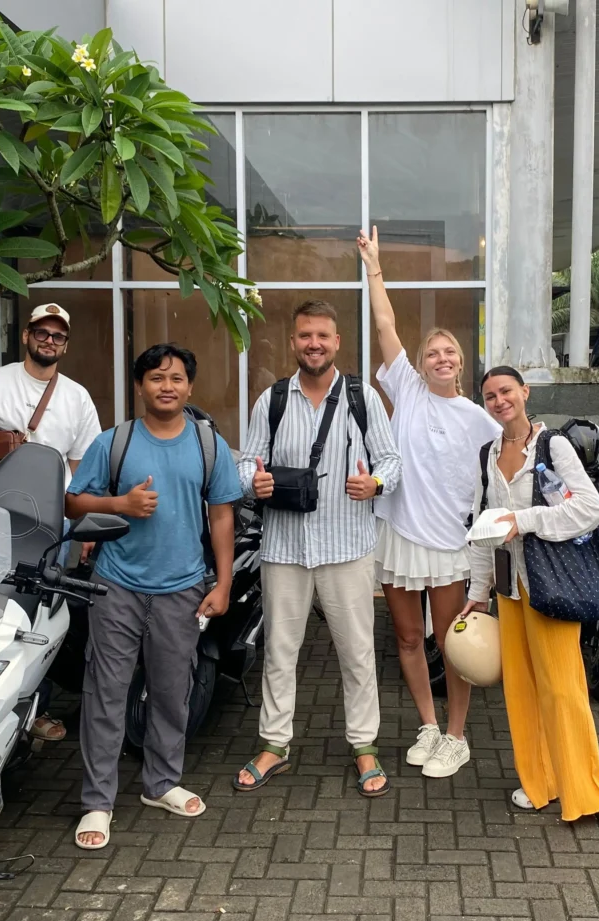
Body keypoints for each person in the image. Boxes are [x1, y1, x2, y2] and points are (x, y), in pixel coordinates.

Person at [66, 344, 242, 849]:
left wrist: (223, 583)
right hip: (116, 584)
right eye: (157, 378)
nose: (167, 386)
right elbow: (73, 501)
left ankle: (160, 783)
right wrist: (119, 503)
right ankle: (97, 801)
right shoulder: (114, 442)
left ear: (190, 387)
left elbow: (222, 515)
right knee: (106, 692)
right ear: (140, 386)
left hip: (182, 587)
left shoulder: (209, 445)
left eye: (177, 378)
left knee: (171, 689)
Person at [460, 366, 599, 832]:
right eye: (490, 396)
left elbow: (586, 507)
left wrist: (526, 521)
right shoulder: (487, 453)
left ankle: (594, 792)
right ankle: (541, 780)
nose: (499, 401)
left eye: (506, 391)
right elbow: (483, 528)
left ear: (524, 393)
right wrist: (478, 593)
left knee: (564, 690)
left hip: (552, 584)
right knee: (521, 688)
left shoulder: (553, 444)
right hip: (510, 587)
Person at [235, 299, 402, 797]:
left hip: (347, 546)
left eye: (323, 336)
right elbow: (246, 463)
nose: (314, 344)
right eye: (305, 335)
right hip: (284, 548)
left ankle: (364, 745)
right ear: (293, 342)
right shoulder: (272, 400)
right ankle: (274, 744)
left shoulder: (362, 397)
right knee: (280, 653)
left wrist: (374, 482)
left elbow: (392, 460)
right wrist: (254, 484)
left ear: (336, 342)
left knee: (356, 653)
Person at [357, 227, 499, 778]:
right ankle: (428, 726)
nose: (441, 358)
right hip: (396, 535)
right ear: (421, 363)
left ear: (461, 363)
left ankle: (457, 736)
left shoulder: (480, 419)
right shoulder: (408, 390)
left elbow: (512, 464)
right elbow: (386, 324)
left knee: (452, 643)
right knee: (410, 639)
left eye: (450, 352)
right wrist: (374, 266)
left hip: (448, 546)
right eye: (432, 352)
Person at [0, 302, 102, 743]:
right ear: (27, 336)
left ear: (65, 344)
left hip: (51, 528)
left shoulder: (77, 397)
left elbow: (80, 467)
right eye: (42, 333)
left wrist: (84, 527)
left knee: (39, 615)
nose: (49, 341)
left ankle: (32, 708)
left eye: (58, 336)